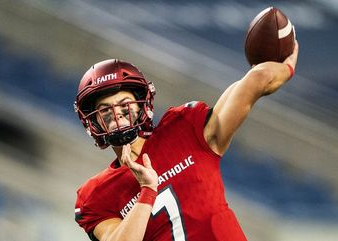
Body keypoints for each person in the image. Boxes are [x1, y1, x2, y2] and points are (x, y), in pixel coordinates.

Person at [73, 41, 299, 241]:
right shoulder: (95, 196)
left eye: (124, 104)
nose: (118, 113)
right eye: (105, 110)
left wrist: (286, 67)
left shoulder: (184, 128)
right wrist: (148, 190)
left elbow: (256, 79)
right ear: (94, 123)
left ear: (142, 104)